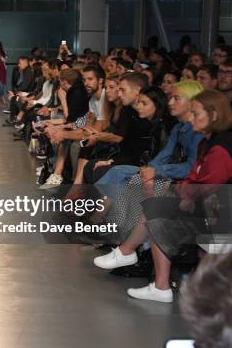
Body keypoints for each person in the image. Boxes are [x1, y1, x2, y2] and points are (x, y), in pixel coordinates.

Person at [94, 90, 232, 303]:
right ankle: (143, 269)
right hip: (209, 206)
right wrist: (183, 192)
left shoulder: (221, 148)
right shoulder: (207, 142)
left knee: (157, 211)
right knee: (155, 209)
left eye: (196, 114)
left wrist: (183, 193)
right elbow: (195, 176)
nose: (191, 118)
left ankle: (136, 262)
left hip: (220, 214)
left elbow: (209, 184)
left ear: (213, 115)